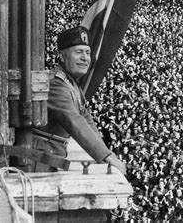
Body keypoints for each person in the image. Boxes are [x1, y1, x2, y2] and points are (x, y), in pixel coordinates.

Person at [31, 26, 126, 174]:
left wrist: (107, 153)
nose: (85, 58)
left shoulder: (71, 83)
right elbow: (74, 121)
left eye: (87, 52)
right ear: (61, 56)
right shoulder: (56, 84)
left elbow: (86, 118)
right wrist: (106, 156)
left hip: (50, 154)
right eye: (79, 52)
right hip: (39, 159)